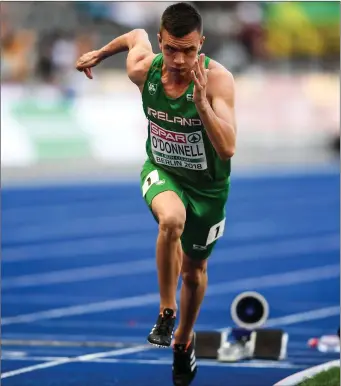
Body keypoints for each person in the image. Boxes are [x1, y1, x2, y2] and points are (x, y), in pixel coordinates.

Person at [75, 2, 236, 385]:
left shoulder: (217, 80)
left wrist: (200, 105)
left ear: (202, 44)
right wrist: (101, 52)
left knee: (194, 273)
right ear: (161, 41)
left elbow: (228, 147)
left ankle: (183, 340)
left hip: (208, 188)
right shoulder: (143, 70)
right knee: (170, 219)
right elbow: (134, 36)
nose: (180, 60)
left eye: (190, 50)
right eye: (171, 49)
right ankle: (167, 313)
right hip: (162, 170)